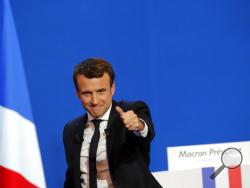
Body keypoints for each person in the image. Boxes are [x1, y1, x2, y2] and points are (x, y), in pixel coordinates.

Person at [63, 57, 162, 188]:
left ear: (112, 88)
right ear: (77, 94)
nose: (95, 100)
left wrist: (137, 125)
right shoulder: (71, 129)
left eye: (101, 91)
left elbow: (147, 131)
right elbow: (73, 177)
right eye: (87, 93)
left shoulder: (131, 111)